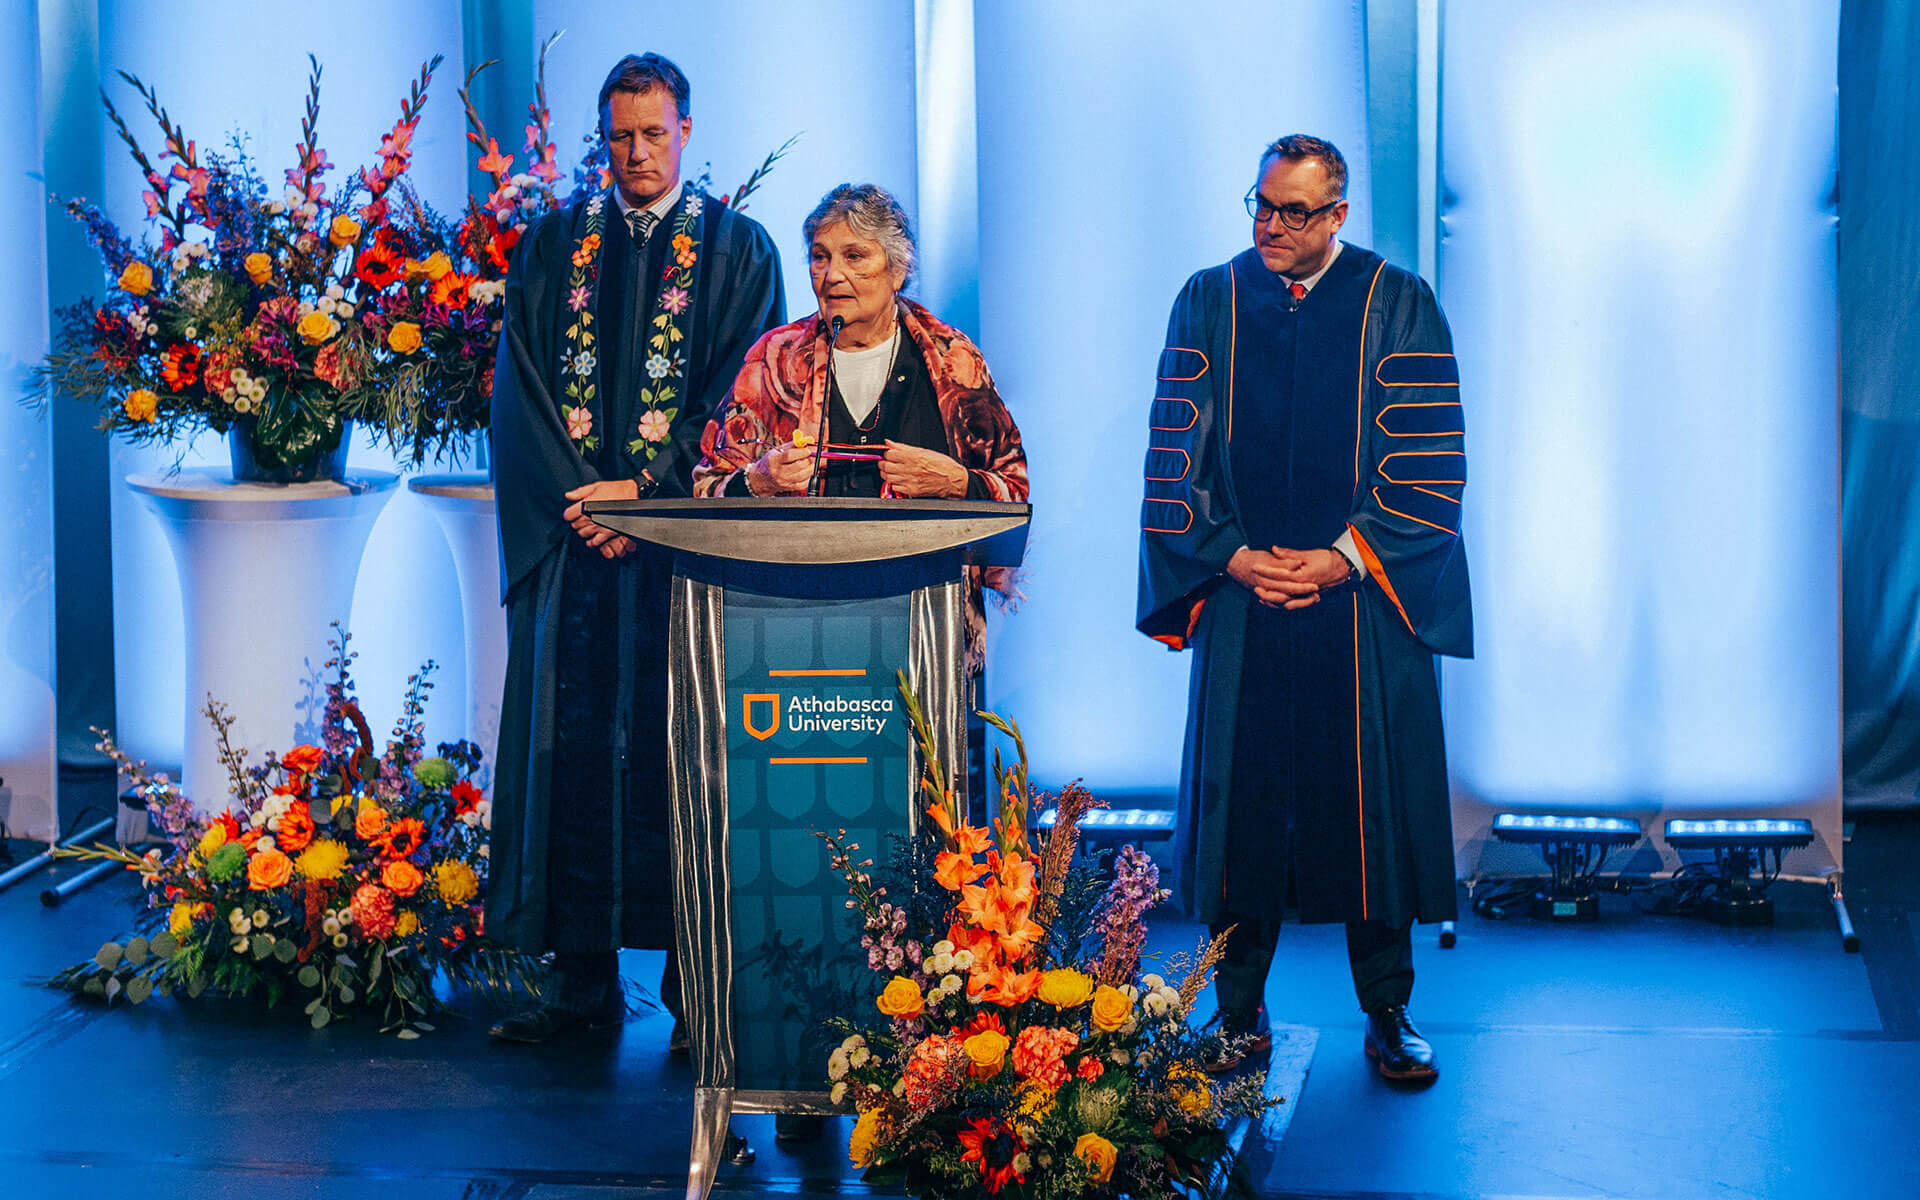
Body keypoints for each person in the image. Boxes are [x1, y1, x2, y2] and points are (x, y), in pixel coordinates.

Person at [1137, 135, 1472, 1083]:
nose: (1269, 226)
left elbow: (1427, 461)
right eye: (1261, 204)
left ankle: (1389, 1011)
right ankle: (1237, 1017)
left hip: (1359, 604)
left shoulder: (1396, 300)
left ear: (1338, 215)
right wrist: (1232, 556)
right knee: (1244, 816)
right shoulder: (1209, 296)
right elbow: (1176, 453)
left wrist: (1338, 558)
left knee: (1374, 817)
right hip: (1247, 599)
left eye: (1293, 211)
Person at [487, 52, 786, 1044]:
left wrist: (648, 499)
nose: (637, 152)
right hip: (578, 549)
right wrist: (587, 503)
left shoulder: (740, 252)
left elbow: (744, 395)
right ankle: (579, 986)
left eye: (654, 133)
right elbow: (520, 392)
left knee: (686, 763)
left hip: (680, 558)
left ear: (687, 132)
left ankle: (699, 997)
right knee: (573, 761)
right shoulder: (549, 246)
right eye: (620, 135)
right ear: (600, 137)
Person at [694, 182, 1028, 678]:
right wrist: (756, 481)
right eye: (820, 256)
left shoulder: (952, 360)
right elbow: (704, 489)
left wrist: (957, 482)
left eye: (855, 256)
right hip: (790, 632)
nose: (833, 276)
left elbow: (1013, 489)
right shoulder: (773, 359)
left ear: (898, 269)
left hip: (922, 631)